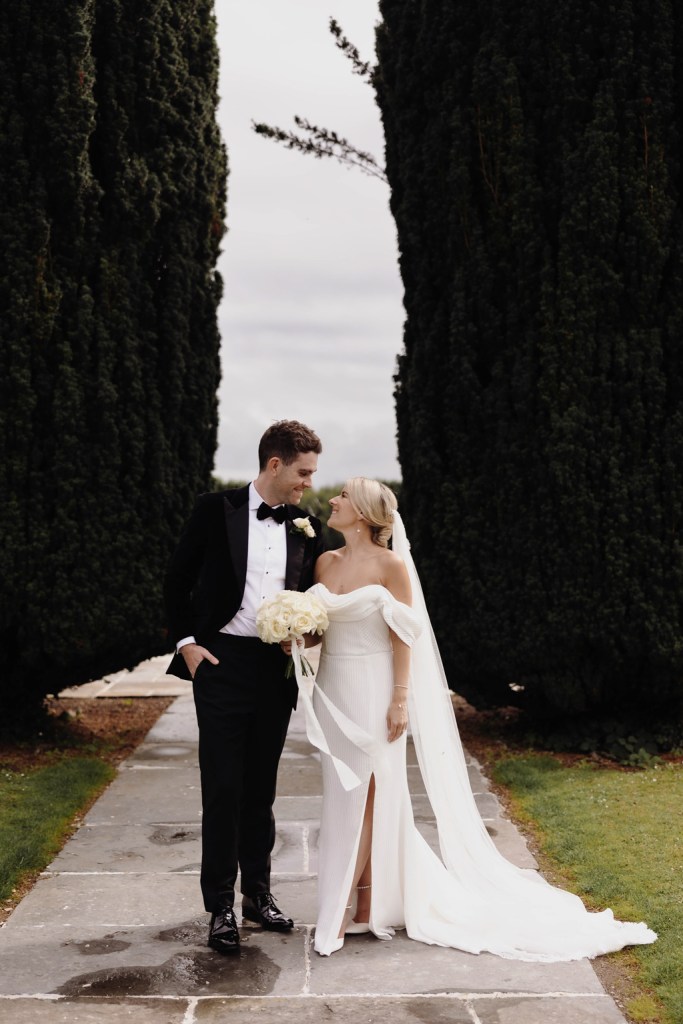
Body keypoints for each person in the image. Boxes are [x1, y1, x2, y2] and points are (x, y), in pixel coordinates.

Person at [301, 477, 657, 958]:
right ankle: (366, 907)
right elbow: (319, 633)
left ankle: (339, 910)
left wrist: (400, 698)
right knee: (345, 793)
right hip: (334, 690)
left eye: (343, 496)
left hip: (374, 687)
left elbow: (403, 636)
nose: (333, 500)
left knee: (367, 791)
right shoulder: (325, 561)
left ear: (362, 513)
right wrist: (294, 635)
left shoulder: (391, 566)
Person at [163, 420, 324, 955]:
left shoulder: (306, 522)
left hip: (273, 670)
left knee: (261, 788)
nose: (308, 483)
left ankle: (258, 894)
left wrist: (301, 635)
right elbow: (176, 580)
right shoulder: (217, 509)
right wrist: (188, 645)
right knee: (224, 787)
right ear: (274, 464)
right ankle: (220, 908)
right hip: (221, 662)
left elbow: (316, 601)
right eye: (302, 473)